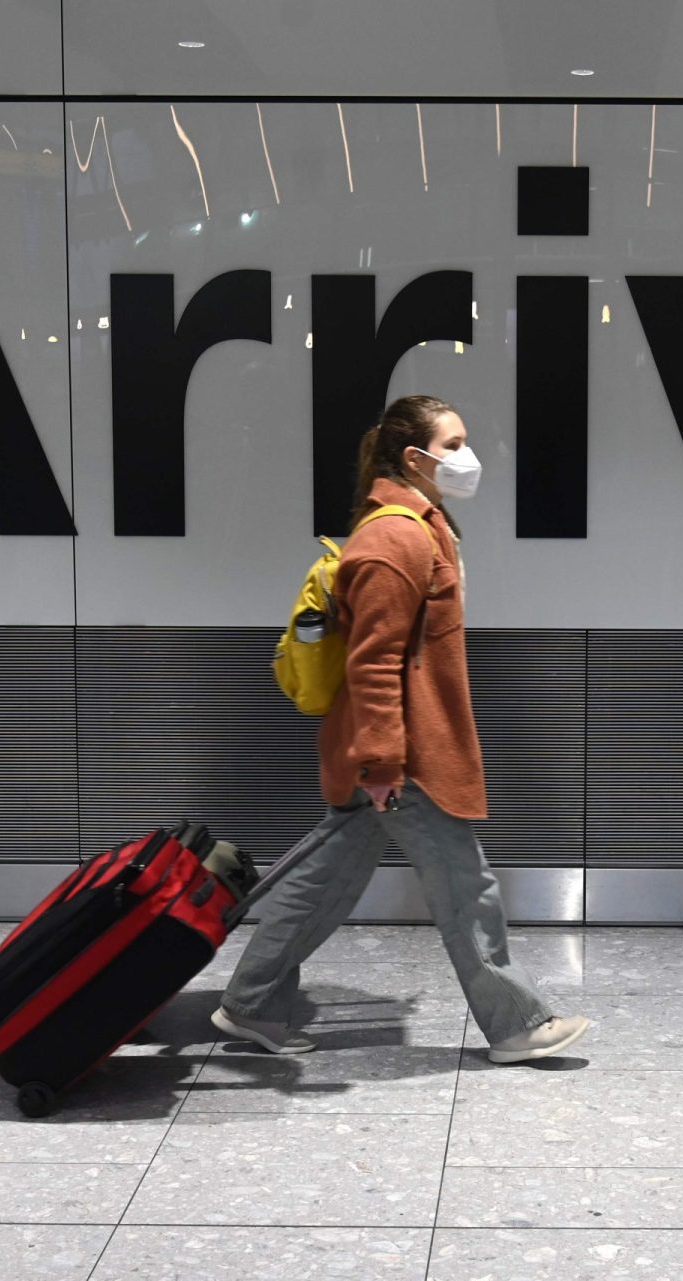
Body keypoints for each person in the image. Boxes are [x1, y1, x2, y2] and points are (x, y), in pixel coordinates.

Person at [212, 394, 591, 1063]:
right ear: (414, 458)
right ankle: (516, 1023)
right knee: (466, 885)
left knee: (322, 883)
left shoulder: (424, 524)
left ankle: (251, 1003)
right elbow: (374, 661)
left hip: (383, 750)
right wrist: (385, 761)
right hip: (399, 754)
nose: (466, 456)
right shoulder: (396, 538)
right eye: (453, 444)